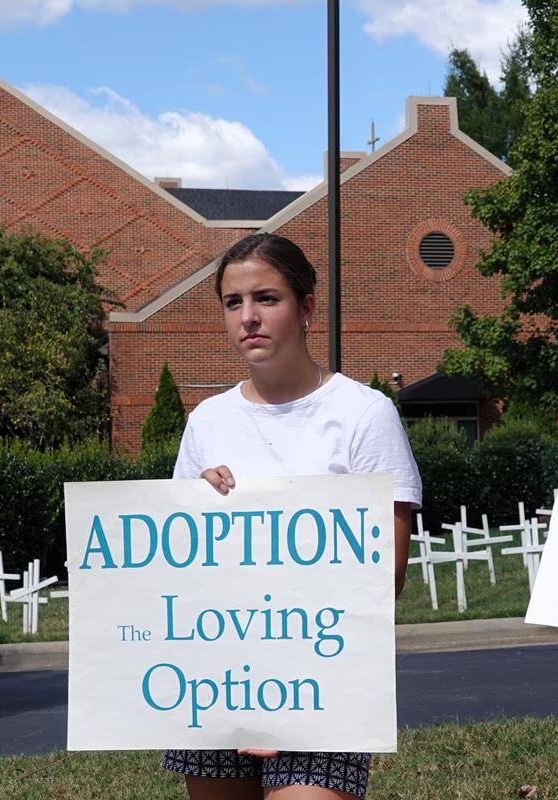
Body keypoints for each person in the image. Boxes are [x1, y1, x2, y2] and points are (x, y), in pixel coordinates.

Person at [160, 233, 422, 800]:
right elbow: (175, 569)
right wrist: (192, 509)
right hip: (217, 674)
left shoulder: (363, 415)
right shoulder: (207, 421)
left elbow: (387, 577)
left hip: (322, 678)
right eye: (234, 303)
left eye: (266, 299)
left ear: (305, 308)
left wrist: (292, 695)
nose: (248, 318)